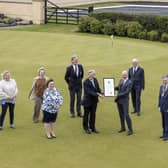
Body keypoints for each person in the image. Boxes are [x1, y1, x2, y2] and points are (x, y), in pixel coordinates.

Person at [81, 70, 104, 134]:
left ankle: (92, 127)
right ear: (89, 74)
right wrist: (98, 95)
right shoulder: (86, 82)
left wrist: (101, 92)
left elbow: (97, 88)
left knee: (93, 114)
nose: (93, 75)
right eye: (92, 74)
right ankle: (86, 128)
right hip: (87, 101)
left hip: (94, 101)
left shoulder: (95, 80)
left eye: (94, 74)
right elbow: (89, 91)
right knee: (86, 115)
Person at [115, 70, 133, 136]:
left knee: (126, 115)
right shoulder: (121, 80)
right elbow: (118, 88)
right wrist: (111, 88)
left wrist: (118, 95)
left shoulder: (130, 82)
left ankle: (130, 129)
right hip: (119, 100)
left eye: (125, 74)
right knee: (121, 115)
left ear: (127, 74)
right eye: (123, 74)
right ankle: (123, 127)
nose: (124, 75)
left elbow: (127, 92)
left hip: (125, 100)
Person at [158, 75, 168, 141]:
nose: (164, 81)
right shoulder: (161, 87)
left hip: (167, 107)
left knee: (166, 121)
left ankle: (166, 135)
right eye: (164, 80)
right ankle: (164, 133)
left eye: (166, 80)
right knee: (163, 121)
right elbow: (159, 97)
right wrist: (159, 105)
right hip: (162, 106)